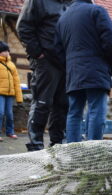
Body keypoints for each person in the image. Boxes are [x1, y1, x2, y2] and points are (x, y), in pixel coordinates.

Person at [55, 0, 112, 143]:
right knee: (96, 110)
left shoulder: (62, 19)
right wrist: (111, 62)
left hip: (73, 72)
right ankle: (93, 150)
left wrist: (69, 66)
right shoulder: (96, 11)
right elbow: (110, 38)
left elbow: (57, 50)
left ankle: (73, 151)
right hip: (96, 68)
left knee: (74, 112)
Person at [17, 0, 71, 151]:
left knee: (62, 105)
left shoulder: (72, 3)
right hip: (45, 60)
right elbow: (23, 27)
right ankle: (35, 145)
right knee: (42, 102)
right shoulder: (38, 1)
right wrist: (37, 53)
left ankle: (57, 144)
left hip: (66, 62)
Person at [0, 41, 23, 142]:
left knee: (9, 113)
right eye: (5, 50)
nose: (7, 52)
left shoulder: (12, 65)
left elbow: (16, 82)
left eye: (7, 50)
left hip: (10, 94)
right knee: (0, 113)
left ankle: (10, 131)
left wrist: (19, 98)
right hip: (0, 93)